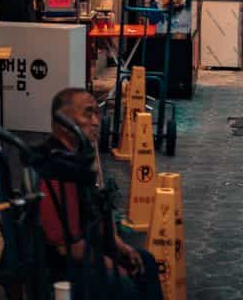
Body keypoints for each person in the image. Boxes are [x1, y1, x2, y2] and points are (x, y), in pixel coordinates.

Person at [33, 87, 163, 298]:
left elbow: (93, 212)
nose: (96, 121)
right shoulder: (54, 168)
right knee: (123, 285)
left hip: (86, 251)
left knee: (145, 261)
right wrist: (108, 264)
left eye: (97, 113)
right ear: (62, 123)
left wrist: (119, 246)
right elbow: (67, 247)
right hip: (61, 268)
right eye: (87, 113)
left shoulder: (78, 158)